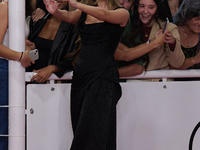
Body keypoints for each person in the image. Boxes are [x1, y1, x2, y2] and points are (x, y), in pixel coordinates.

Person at [44, 0, 129, 149]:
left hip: (102, 78)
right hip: (80, 77)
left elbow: (103, 15)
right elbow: (69, 17)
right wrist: (55, 12)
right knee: (80, 129)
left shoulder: (122, 13)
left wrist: (77, 4)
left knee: (93, 133)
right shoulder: (83, 12)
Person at [115, 0, 185, 77]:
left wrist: (172, 43)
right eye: (142, 6)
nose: (145, 11)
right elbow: (126, 54)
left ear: (157, 9)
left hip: (159, 81)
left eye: (151, 7)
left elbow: (178, 63)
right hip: (132, 80)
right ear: (136, 6)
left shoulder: (169, 28)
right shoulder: (127, 25)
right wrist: (154, 43)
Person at [0, 1, 34, 149]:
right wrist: (20, 56)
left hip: (14, 68)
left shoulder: (18, 6)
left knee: (14, 123)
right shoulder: (5, 6)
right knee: (5, 123)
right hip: (5, 68)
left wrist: (26, 47)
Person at [26, 0, 80, 83]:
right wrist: (29, 49)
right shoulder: (37, 22)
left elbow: (75, 56)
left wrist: (53, 68)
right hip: (33, 80)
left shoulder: (74, 26)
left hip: (60, 84)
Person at [172, 0, 200, 80]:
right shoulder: (172, 30)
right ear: (187, 16)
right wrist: (195, 59)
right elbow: (167, 66)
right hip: (170, 86)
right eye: (197, 19)